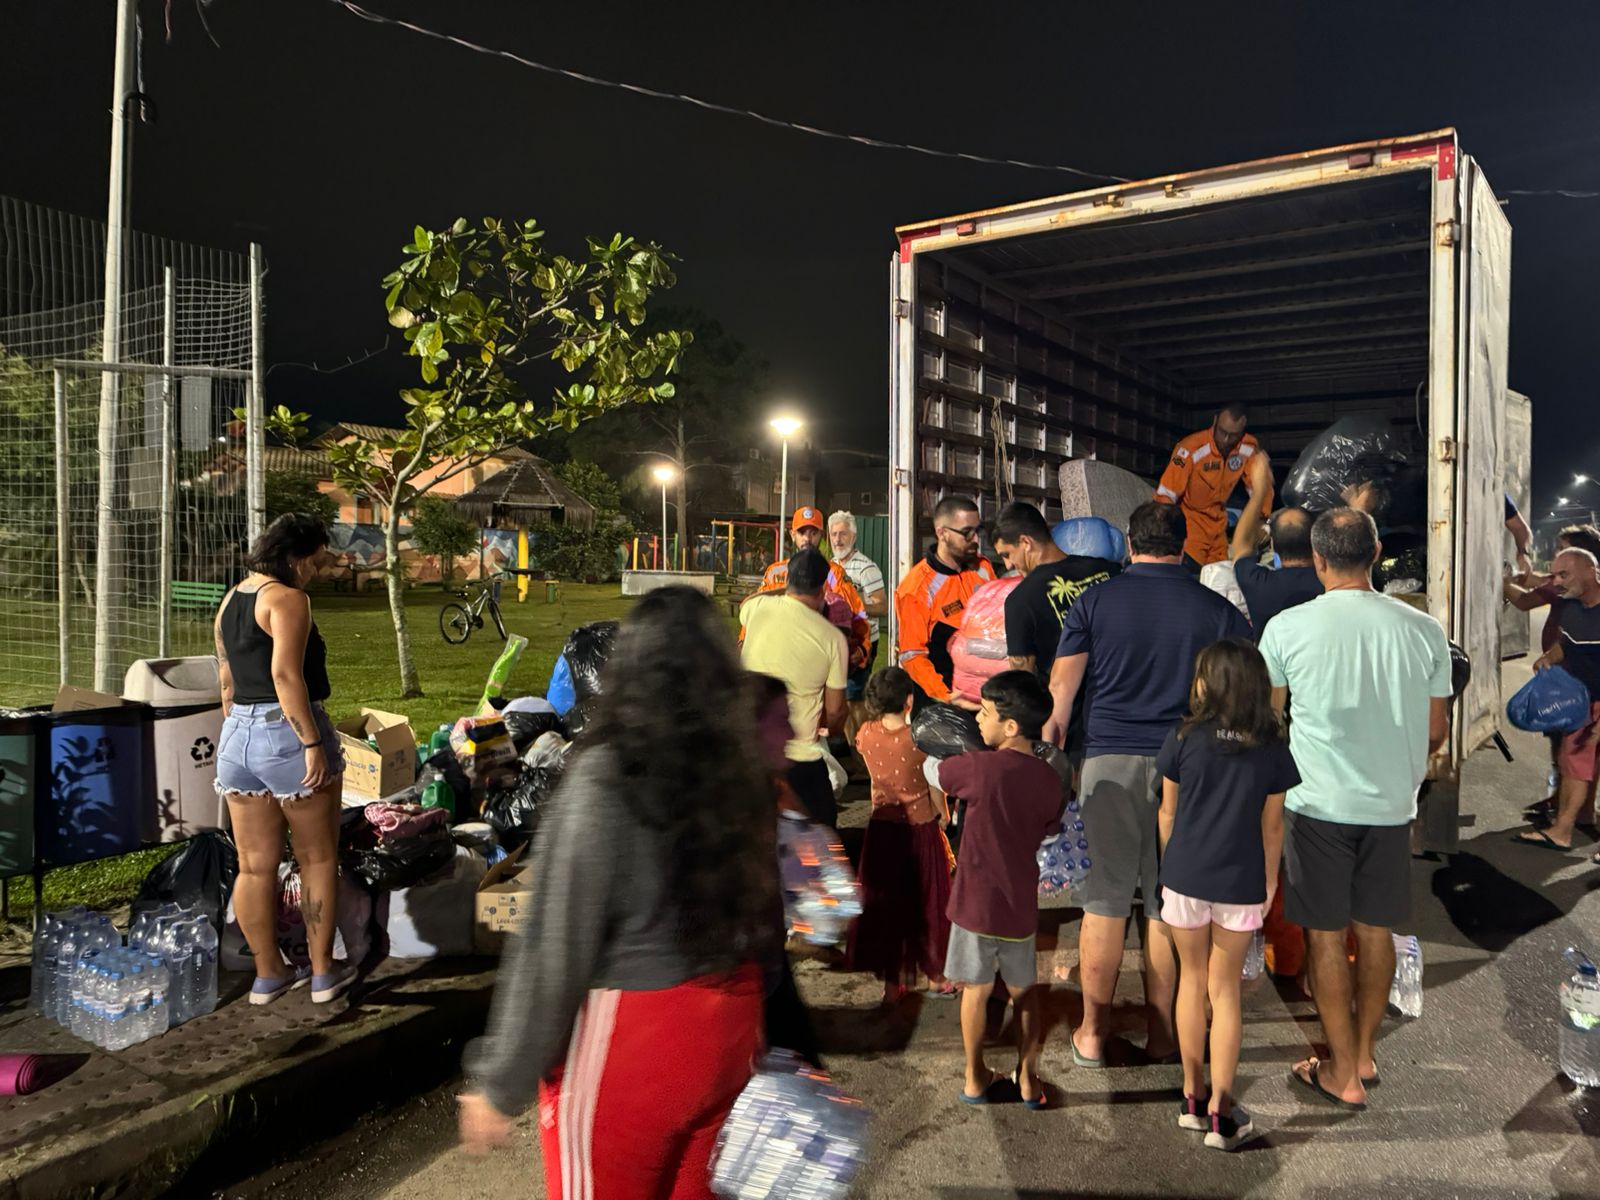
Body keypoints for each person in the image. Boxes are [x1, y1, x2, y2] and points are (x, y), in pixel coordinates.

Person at [458, 588, 779, 1198]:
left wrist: (501, 1082)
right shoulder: (739, 768)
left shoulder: (606, 775)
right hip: (730, 1024)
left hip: (637, 1037)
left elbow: (556, 941)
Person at [1043, 501, 1251, 1066]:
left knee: (1106, 897)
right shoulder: (1218, 610)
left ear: (1130, 543)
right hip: (1186, 767)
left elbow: (1061, 695)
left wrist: (1050, 764)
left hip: (1107, 762)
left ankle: (1091, 1032)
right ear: (1183, 546)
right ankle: (1165, 1035)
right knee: (1167, 903)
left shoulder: (1094, 600)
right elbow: (1237, 699)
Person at [1258, 508, 1452, 1112]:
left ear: (1317, 559)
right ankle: (1362, 1053)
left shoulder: (1287, 628)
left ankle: (1340, 1074)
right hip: (1392, 806)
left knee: (1323, 937)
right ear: (1375, 554)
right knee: (1376, 932)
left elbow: (1271, 719)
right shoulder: (1423, 630)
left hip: (1317, 804)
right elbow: (1436, 732)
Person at [1157, 639, 1299, 1151]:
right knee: (1226, 991)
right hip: (1240, 880)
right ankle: (1221, 1109)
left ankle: (1191, 1097)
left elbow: (1168, 812)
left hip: (1185, 876)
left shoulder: (1183, 737)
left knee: (1190, 982)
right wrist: (1268, 883)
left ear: (1207, 682)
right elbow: (1272, 826)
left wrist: (1170, 864)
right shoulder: (1270, 743)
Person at [213, 513, 354, 1006]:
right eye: (315, 561)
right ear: (295, 557)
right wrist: (312, 743)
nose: (316, 570)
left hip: (235, 739)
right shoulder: (289, 599)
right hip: (285, 733)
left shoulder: (231, 598)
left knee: (254, 867)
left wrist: (237, 726)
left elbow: (227, 678)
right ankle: (321, 973)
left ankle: (269, 975)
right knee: (317, 858)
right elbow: (286, 677)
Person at [936, 671, 1064, 1108]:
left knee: (975, 990)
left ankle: (975, 1078)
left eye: (986, 714)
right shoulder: (1049, 779)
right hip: (1019, 906)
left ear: (1010, 727)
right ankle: (1028, 1079)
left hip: (974, 903)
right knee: (1023, 991)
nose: (978, 722)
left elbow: (940, 773)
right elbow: (1052, 826)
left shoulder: (979, 767)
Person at [848, 667, 955, 1004]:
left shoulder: (865, 734)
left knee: (890, 906)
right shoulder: (921, 742)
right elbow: (936, 787)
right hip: (919, 829)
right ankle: (937, 977)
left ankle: (893, 985)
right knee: (927, 903)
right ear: (910, 701)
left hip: (882, 832)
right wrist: (944, 814)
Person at [740, 548, 849, 829]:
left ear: (787, 579)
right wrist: (832, 728)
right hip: (800, 759)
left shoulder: (756, 610)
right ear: (823, 587)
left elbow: (750, 600)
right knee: (821, 840)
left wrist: (782, 592)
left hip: (751, 752)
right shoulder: (833, 638)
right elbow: (836, 711)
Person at [1505, 525, 1600, 827]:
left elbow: (1525, 599)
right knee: (1578, 752)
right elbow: (1539, 583)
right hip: (1574, 678)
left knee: (1572, 750)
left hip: (1577, 683)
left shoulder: (1569, 590)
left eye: (1562, 549)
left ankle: (1566, 815)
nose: (1556, 556)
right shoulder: (1573, 591)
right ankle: (1576, 811)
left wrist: (1502, 581)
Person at [990, 500, 1120, 684]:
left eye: (1007, 554)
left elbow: (1023, 681)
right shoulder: (1107, 569)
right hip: (1134, 695)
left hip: (1078, 709)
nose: (1008, 565)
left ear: (1026, 542)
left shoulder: (1020, 600)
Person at [895, 495, 997, 707]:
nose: (976, 539)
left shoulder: (983, 568)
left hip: (988, 698)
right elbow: (912, 655)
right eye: (967, 533)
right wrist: (946, 695)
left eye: (977, 531)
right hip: (944, 703)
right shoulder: (916, 588)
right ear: (942, 533)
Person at [1155, 404, 1272, 570]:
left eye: (1233, 436)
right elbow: (1165, 495)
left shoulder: (1248, 447)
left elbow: (1261, 486)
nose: (1226, 440)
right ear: (1215, 421)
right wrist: (1164, 535)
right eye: (1222, 432)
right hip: (1190, 530)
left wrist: (1262, 520)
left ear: (1243, 431)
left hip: (1219, 530)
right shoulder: (1189, 448)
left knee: (1220, 580)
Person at [757, 506, 870, 671]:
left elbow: (857, 612)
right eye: (802, 533)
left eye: (813, 533)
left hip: (820, 661)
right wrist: (743, 641)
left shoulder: (834, 573)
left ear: (822, 535)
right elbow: (757, 614)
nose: (807, 539)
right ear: (792, 535)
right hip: (779, 659)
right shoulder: (775, 572)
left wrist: (862, 647)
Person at [1228, 452, 1325, 635]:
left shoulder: (1259, 584)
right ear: (1315, 542)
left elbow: (1241, 546)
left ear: (1272, 545)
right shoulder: (1331, 582)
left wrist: (1259, 492)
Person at [829, 510, 888, 741]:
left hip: (861, 643)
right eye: (833, 534)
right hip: (835, 643)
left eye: (843, 534)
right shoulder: (830, 567)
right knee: (837, 696)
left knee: (855, 698)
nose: (837, 539)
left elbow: (882, 607)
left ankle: (863, 751)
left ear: (853, 536)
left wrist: (851, 607)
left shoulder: (866, 568)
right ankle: (846, 747)